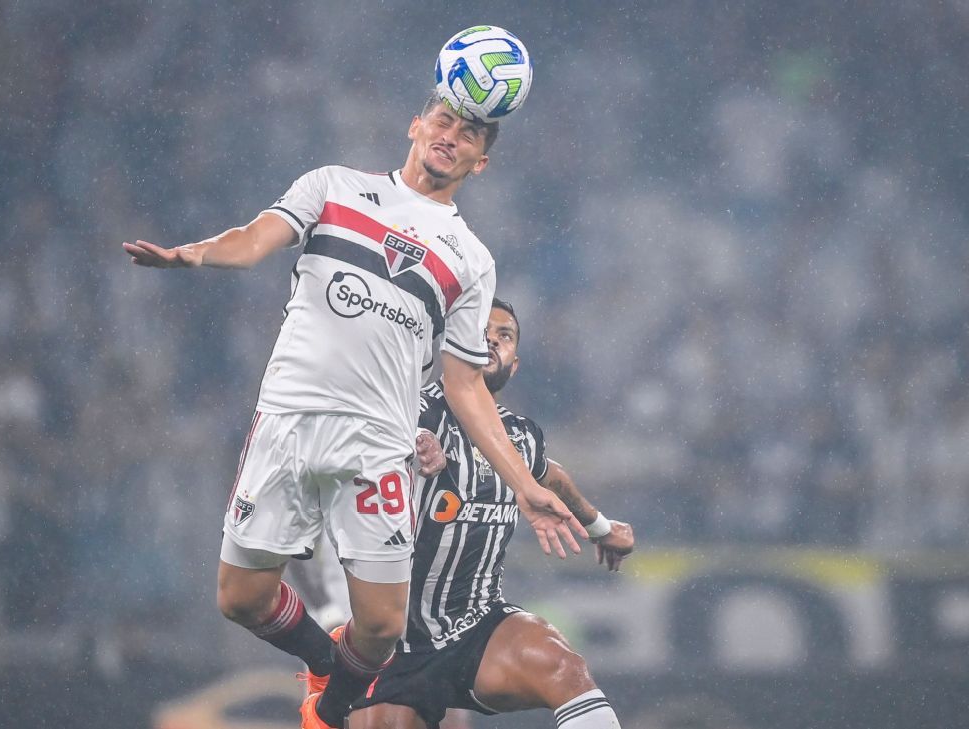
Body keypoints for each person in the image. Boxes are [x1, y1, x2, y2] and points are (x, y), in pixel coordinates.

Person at [122, 93, 585, 729]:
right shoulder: (332, 187)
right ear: (416, 125)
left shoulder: (471, 259)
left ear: (481, 161)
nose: (451, 136)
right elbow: (254, 240)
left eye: (469, 134)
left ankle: (333, 705)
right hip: (289, 421)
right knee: (240, 599)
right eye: (443, 120)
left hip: (379, 443)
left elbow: (465, 386)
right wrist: (194, 254)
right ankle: (326, 670)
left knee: (383, 625)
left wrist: (525, 487)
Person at [346, 299, 635, 729]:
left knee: (565, 668)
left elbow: (550, 474)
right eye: (483, 331)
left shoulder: (521, 436)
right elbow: (374, 426)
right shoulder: (413, 407)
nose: (492, 341)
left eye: (505, 335)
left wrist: (599, 526)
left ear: (514, 366)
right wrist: (416, 439)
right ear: (454, 345)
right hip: (392, 644)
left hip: (478, 627)